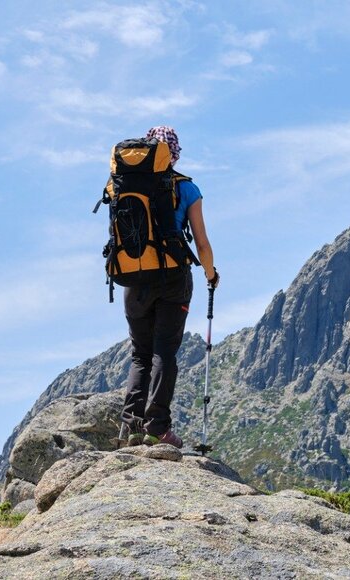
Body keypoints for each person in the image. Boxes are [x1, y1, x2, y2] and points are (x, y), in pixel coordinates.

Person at [120, 125, 219, 449]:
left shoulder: (122, 182)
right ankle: (157, 429)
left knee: (140, 355)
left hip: (133, 277)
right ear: (173, 154)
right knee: (164, 352)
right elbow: (201, 243)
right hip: (173, 278)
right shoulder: (186, 188)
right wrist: (210, 274)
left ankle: (132, 429)